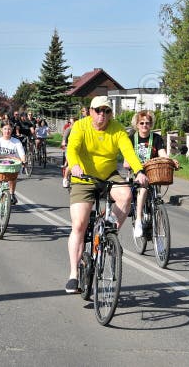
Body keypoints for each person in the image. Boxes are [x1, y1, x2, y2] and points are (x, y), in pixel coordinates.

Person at [64, 95, 149, 294]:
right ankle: (73, 275)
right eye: (98, 110)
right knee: (79, 225)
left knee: (127, 195)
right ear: (90, 111)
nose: (103, 115)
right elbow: (72, 148)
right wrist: (74, 166)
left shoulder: (117, 128)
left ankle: (108, 233)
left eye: (107, 111)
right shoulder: (81, 126)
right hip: (83, 177)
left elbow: (128, 151)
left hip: (108, 175)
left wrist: (139, 171)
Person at [124, 110, 178, 238]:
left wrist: (171, 161)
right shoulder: (131, 139)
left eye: (147, 123)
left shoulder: (157, 138)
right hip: (137, 172)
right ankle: (138, 220)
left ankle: (154, 211)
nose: (144, 125)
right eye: (141, 123)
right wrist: (131, 165)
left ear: (151, 124)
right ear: (137, 124)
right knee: (143, 188)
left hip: (154, 171)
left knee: (155, 189)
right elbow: (126, 161)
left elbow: (162, 154)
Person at [60, 117, 75, 188]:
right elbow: (64, 137)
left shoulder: (78, 130)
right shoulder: (68, 129)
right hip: (69, 148)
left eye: (74, 122)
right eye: (71, 122)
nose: (73, 124)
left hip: (78, 149)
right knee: (70, 164)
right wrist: (64, 143)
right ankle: (65, 179)